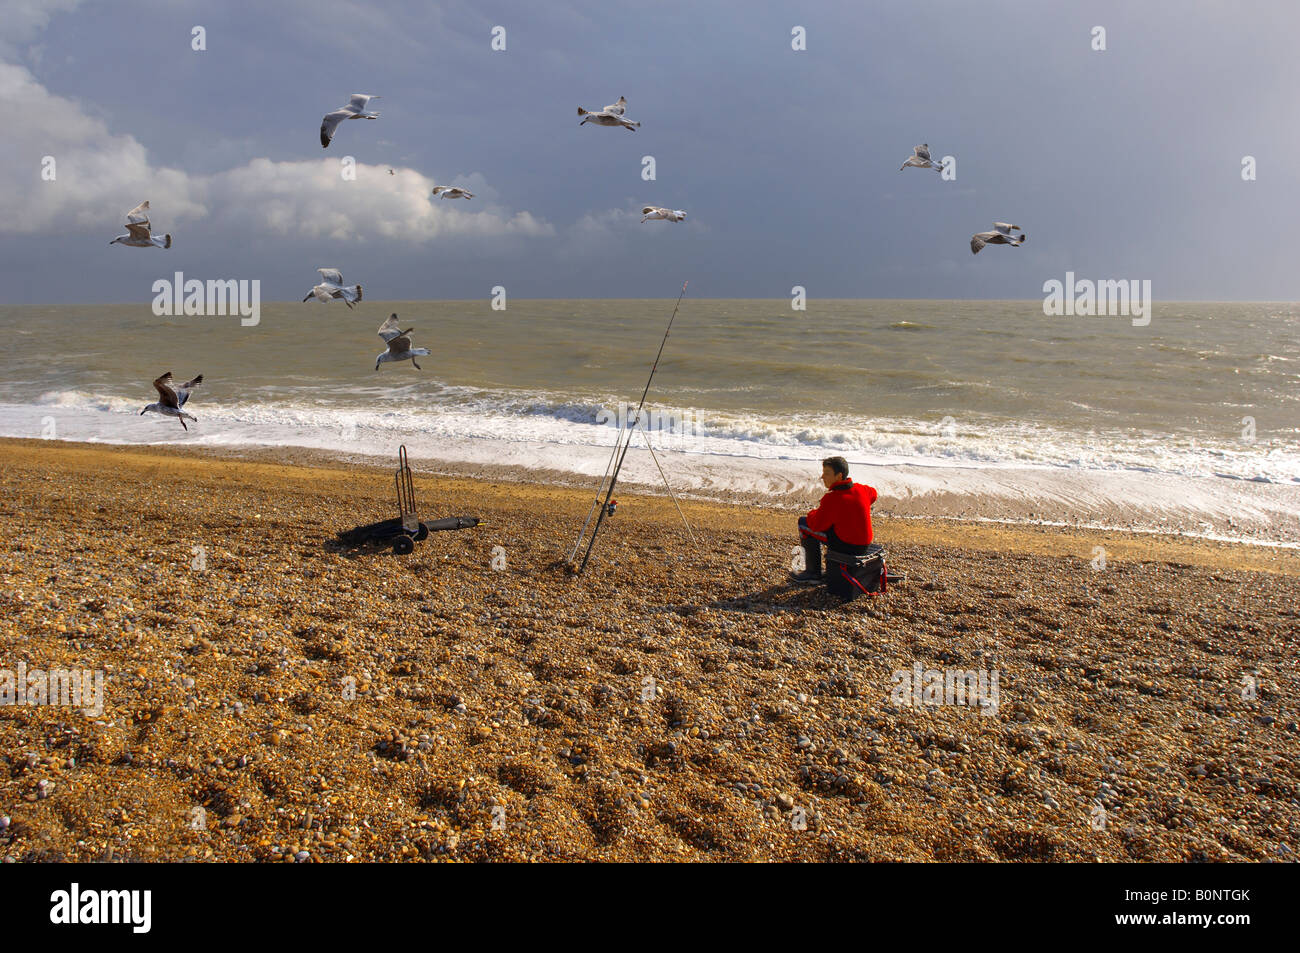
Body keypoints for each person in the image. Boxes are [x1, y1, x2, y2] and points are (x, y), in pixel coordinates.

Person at [791, 456, 877, 585]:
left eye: (827, 473)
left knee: (803, 523)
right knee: (833, 523)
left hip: (848, 546)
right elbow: (874, 494)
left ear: (839, 476)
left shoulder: (832, 498)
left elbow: (816, 525)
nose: (822, 477)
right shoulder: (862, 489)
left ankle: (813, 573)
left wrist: (812, 513)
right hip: (865, 544)